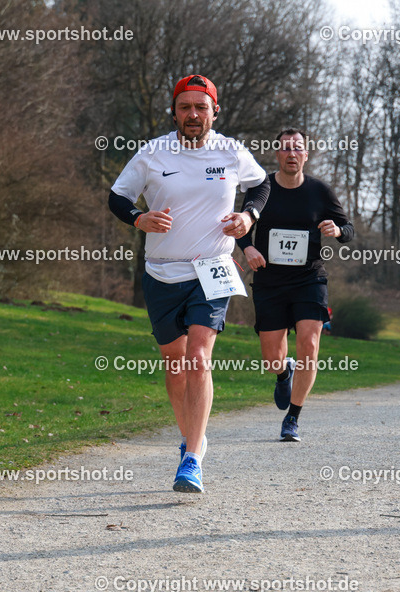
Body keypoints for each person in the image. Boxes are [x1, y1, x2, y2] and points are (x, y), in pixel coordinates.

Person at [107, 74, 270, 493]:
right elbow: (118, 197)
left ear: (215, 110)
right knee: (175, 364)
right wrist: (138, 218)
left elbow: (261, 184)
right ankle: (188, 439)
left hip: (212, 268)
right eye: (185, 107)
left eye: (201, 107)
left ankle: (194, 458)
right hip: (162, 272)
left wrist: (248, 217)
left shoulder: (232, 152)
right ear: (175, 112)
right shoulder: (152, 153)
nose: (193, 115)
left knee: (198, 358)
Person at [237, 129, 354, 441]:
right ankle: (282, 372)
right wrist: (248, 248)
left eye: (297, 148)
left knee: (310, 344)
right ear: (277, 154)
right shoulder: (261, 188)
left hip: (309, 278)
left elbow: (348, 228)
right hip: (270, 280)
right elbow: (240, 225)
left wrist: (337, 230)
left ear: (306, 154)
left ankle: (293, 417)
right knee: (271, 354)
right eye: (286, 148)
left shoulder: (320, 191)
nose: (292, 154)